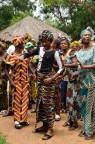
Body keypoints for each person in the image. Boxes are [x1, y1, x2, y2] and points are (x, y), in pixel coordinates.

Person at [20, 30, 64, 140]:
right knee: (40, 104)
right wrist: (21, 56)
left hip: (48, 81)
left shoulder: (55, 53)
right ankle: (44, 125)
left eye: (46, 41)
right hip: (39, 81)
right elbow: (29, 53)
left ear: (50, 41)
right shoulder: (39, 49)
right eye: (42, 41)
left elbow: (62, 68)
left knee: (48, 104)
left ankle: (50, 129)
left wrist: (52, 78)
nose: (44, 43)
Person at [75, 28, 95, 140]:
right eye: (85, 35)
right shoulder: (79, 52)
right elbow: (78, 66)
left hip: (91, 82)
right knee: (84, 106)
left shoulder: (94, 49)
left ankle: (88, 132)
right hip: (81, 82)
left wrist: (84, 67)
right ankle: (89, 128)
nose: (87, 36)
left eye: (89, 35)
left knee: (89, 107)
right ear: (82, 37)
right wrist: (76, 73)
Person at [6, 35, 29, 129]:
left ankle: (23, 119)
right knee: (16, 101)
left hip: (25, 81)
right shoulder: (11, 56)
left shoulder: (25, 53)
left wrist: (33, 73)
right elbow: (6, 69)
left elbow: (29, 64)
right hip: (16, 81)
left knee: (25, 100)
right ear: (19, 44)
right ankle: (16, 120)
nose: (24, 44)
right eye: (23, 43)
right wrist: (11, 81)